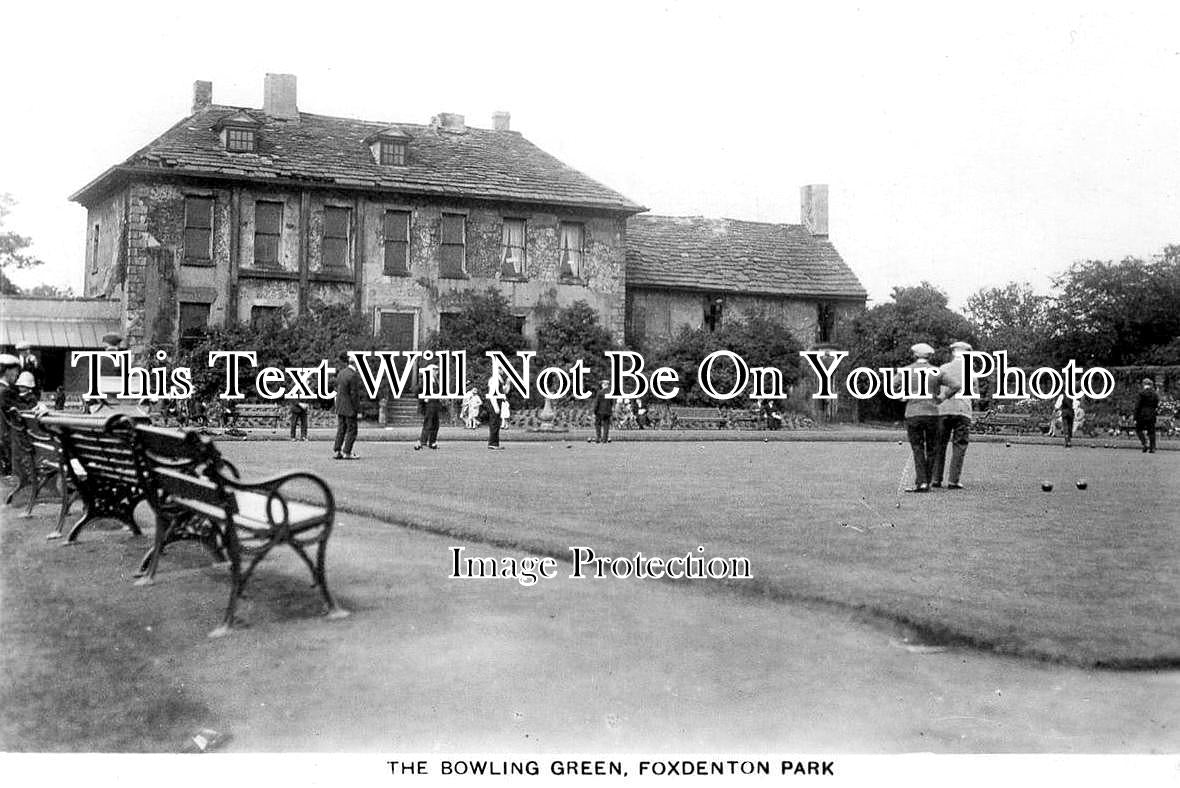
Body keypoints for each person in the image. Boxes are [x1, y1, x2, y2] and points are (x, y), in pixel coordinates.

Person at [893, 342, 958, 493]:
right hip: (932, 413)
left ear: (915, 355)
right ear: (929, 356)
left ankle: (921, 482)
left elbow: (892, 386)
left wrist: (902, 396)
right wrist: (942, 397)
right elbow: (955, 385)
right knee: (932, 449)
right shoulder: (937, 372)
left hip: (913, 413)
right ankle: (926, 482)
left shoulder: (906, 371)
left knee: (917, 448)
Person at [931, 341, 973, 489]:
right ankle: (953, 481)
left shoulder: (943, 368)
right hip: (963, 410)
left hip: (943, 410)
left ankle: (936, 479)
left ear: (953, 352)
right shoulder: (971, 370)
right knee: (959, 445)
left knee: (939, 444)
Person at [333, 351, 362, 459]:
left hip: (340, 406)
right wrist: (357, 410)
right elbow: (354, 394)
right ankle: (347, 452)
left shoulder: (341, 373)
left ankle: (337, 450)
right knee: (352, 430)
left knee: (341, 429)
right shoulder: (353, 375)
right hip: (349, 407)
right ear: (355, 363)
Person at [0, 354, 22, 478]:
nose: (17, 374)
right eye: (16, 371)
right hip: (7, 440)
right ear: (7, 371)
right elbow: (23, 411)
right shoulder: (6, 392)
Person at [1134, 378, 1160, 454]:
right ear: (1150, 384)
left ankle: (1144, 443)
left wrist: (1135, 416)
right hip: (1151, 414)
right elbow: (1156, 404)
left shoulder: (1141, 393)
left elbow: (1137, 405)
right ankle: (1152, 448)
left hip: (1142, 415)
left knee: (1138, 429)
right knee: (1151, 431)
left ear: (1143, 384)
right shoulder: (1154, 394)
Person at [485, 370, 505, 450]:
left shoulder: (499, 379)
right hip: (494, 403)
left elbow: (504, 391)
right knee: (494, 423)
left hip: (497, 403)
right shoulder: (494, 379)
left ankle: (495, 443)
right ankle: (492, 443)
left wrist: (508, 383)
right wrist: (496, 407)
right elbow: (492, 394)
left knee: (497, 423)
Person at [590, 379, 613, 443]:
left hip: (599, 412)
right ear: (607, 385)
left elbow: (597, 403)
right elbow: (611, 403)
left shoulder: (600, 392)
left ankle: (598, 438)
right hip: (608, 411)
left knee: (598, 424)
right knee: (606, 425)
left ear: (603, 385)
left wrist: (595, 411)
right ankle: (604, 439)